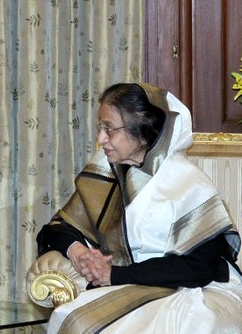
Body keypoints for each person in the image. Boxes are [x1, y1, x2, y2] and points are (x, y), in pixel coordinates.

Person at [36, 82, 242, 333]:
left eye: (109, 129)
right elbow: (56, 229)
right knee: (70, 318)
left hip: (192, 291)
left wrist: (113, 275)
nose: (101, 139)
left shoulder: (187, 182)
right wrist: (79, 252)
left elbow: (198, 268)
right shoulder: (106, 171)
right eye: (101, 128)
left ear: (142, 130)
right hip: (130, 284)